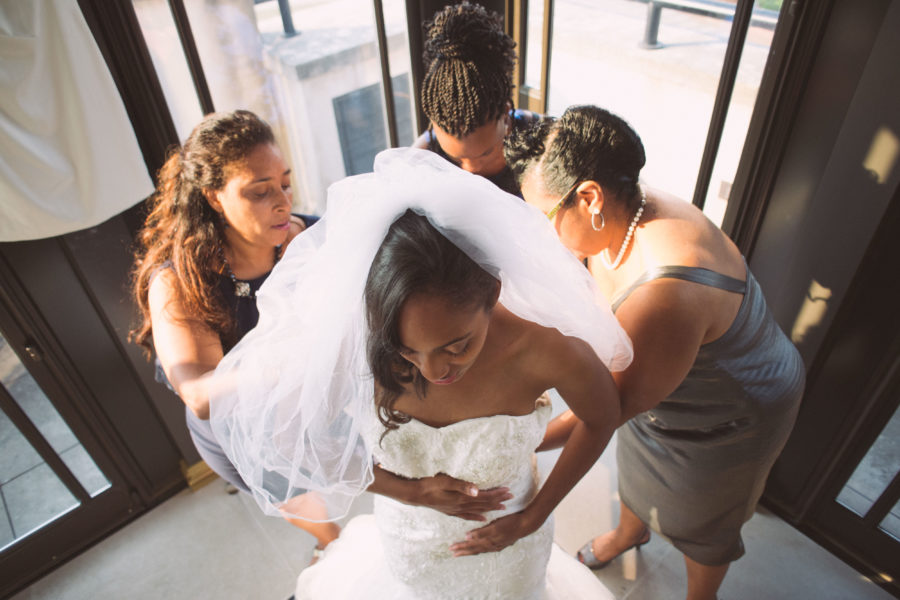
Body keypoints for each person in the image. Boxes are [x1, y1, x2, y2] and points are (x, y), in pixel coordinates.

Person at [207, 148, 634, 599]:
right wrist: (409, 493)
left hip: (510, 547)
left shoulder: (547, 347)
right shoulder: (357, 344)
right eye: (407, 350)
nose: (433, 370)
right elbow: (303, 440)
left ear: (491, 291)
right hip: (410, 544)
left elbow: (602, 416)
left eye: (457, 345)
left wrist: (534, 515)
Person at [504, 105, 806, 600]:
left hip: (729, 413)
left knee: (702, 519)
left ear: (589, 197)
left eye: (545, 217)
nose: (542, 232)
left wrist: (522, 439)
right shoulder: (619, 214)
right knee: (640, 462)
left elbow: (611, 411)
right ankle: (630, 532)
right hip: (660, 387)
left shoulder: (665, 294)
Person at [128, 109, 344, 558]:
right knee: (298, 498)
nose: (283, 202)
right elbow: (201, 394)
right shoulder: (179, 281)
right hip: (240, 430)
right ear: (214, 197)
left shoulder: (306, 237)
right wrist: (296, 358)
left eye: (285, 183)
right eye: (260, 192)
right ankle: (332, 546)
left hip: (306, 405)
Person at [412, 1, 538, 196]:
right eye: (455, 159)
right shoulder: (422, 157)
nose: (470, 171)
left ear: (505, 115)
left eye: (485, 153)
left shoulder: (539, 144)